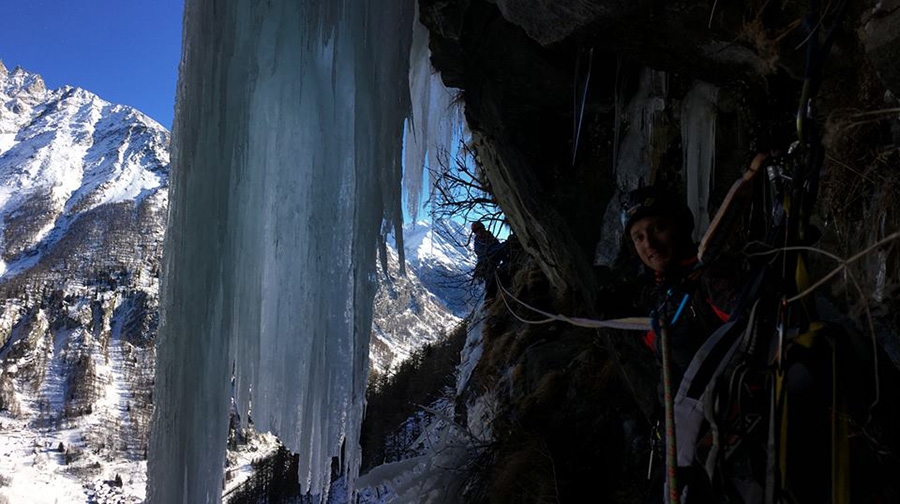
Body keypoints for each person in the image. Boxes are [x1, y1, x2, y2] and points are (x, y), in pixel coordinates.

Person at [471, 221, 507, 301]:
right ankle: (489, 298)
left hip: (494, 262)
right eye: (477, 231)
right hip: (485, 265)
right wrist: (503, 245)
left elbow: (498, 250)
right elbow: (489, 251)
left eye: (479, 229)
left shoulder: (490, 238)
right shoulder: (478, 244)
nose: (479, 232)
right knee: (490, 277)